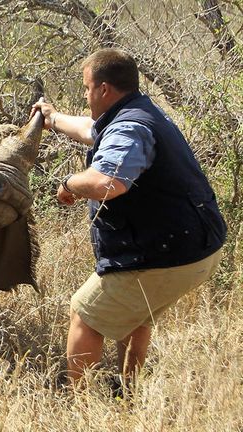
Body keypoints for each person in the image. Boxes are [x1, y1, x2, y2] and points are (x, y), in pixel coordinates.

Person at [32, 48, 226, 389]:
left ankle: (82, 408)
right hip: (197, 248)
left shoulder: (130, 127)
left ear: (104, 89)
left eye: (87, 88)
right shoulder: (140, 112)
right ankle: (128, 390)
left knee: (85, 315)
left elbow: (108, 182)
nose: (85, 94)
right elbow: (91, 129)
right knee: (135, 311)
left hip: (165, 254)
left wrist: (68, 184)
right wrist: (52, 118)